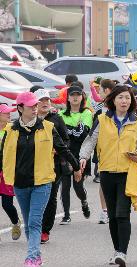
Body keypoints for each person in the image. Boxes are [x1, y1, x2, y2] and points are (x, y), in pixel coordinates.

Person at [0, 92, 80, 267]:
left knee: (35, 221)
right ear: (20, 108)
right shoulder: (10, 130)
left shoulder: (49, 127)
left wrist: (76, 167)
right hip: (20, 184)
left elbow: (63, 149)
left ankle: (33, 257)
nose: (35, 108)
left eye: (35, 105)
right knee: (28, 223)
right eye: (31, 106)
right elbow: (2, 156)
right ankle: (35, 254)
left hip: (42, 183)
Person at [80, 85, 137, 266]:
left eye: (127, 98)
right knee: (113, 216)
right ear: (113, 100)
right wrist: (83, 158)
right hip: (107, 173)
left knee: (123, 214)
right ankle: (117, 250)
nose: (124, 101)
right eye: (121, 98)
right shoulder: (101, 119)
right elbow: (90, 141)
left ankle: (122, 253)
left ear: (131, 101)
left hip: (127, 173)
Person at [29, 89, 70, 244]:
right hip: (32, 165)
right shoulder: (29, 119)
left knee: (50, 196)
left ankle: (45, 230)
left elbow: (66, 141)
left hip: (54, 166)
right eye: (41, 101)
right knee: (33, 196)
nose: (45, 103)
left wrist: (56, 149)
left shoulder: (56, 119)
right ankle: (33, 226)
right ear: (34, 104)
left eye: (47, 100)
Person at [58, 86, 93, 224]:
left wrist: (68, 130)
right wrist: (72, 130)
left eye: (78, 95)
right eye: (72, 95)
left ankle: (84, 201)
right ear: (67, 98)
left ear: (82, 97)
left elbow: (82, 133)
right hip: (65, 153)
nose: (75, 97)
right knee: (65, 185)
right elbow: (60, 135)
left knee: (78, 186)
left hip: (80, 154)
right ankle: (66, 215)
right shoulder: (61, 114)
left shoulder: (86, 113)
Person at [90, 79, 116, 224]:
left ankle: (117, 209)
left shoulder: (120, 108)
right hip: (103, 152)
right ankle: (105, 211)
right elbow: (94, 133)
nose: (98, 93)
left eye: (100, 90)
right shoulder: (99, 110)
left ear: (106, 91)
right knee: (104, 182)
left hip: (119, 151)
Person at [0, 104, 21, 242]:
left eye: (9, 113)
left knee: (6, 204)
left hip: (7, 171)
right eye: (6, 113)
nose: (9, 115)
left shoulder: (12, 129)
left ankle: (16, 222)